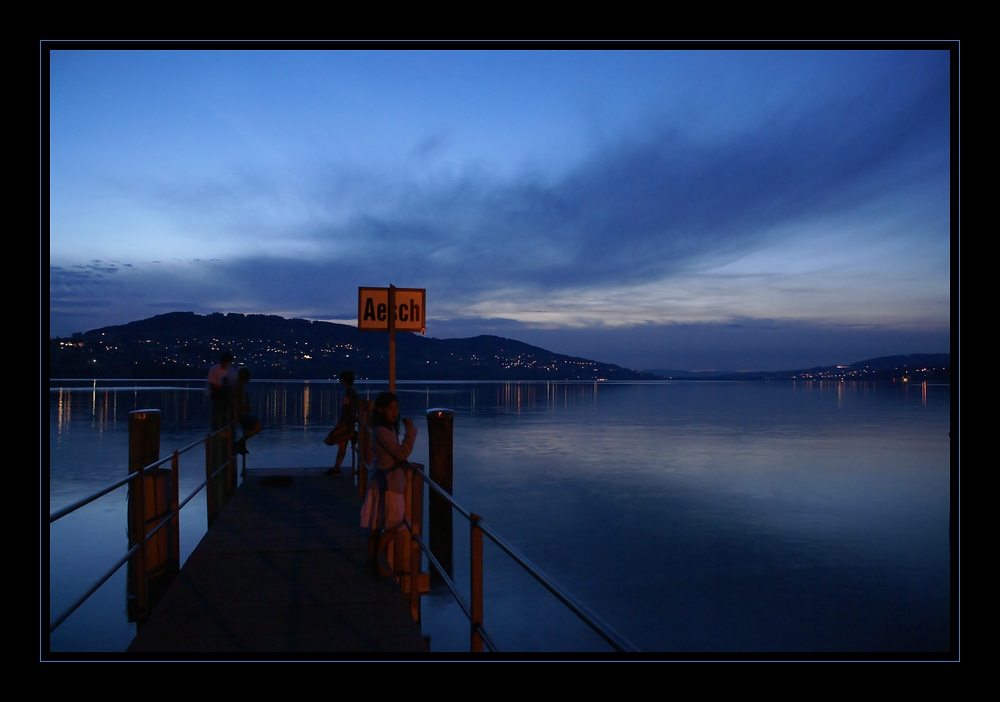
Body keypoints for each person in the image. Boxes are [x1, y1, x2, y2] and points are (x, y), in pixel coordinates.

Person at [360, 391, 416, 577]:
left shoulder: (387, 429)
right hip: (385, 485)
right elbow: (401, 454)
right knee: (393, 525)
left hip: (385, 482)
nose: (395, 411)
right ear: (382, 410)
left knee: (380, 526)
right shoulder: (382, 431)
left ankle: (372, 564)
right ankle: (372, 563)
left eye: (396, 408)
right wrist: (410, 432)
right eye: (391, 408)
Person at [324, 370, 361, 476]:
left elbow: (349, 408)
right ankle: (336, 467)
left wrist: (344, 422)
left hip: (346, 422)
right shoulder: (351, 391)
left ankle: (336, 467)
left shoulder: (350, 391)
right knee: (341, 444)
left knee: (335, 440)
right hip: (348, 421)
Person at [231, 367, 262, 465]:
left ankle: (241, 444)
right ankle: (239, 443)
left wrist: (245, 408)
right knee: (257, 426)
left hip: (240, 413)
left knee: (258, 423)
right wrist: (236, 418)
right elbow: (236, 402)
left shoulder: (239, 385)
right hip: (239, 415)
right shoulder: (239, 386)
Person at [207, 352, 238, 431]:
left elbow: (235, 384)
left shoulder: (232, 371)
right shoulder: (214, 370)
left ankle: (228, 430)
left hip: (228, 397)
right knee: (218, 417)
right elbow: (212, 385)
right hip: (217, 397)